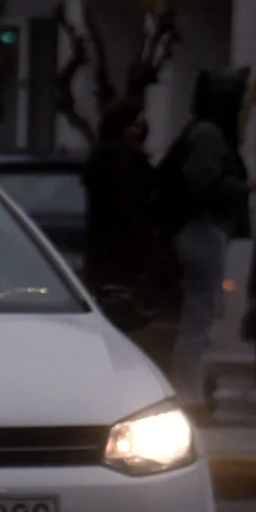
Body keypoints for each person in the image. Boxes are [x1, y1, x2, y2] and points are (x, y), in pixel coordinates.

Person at [155, 68, 253, 410]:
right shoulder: (210, 135)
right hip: (202, 229)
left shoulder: (202, 132)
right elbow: (203, 185)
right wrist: (247, 187)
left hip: (200, 230)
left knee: (199, 313)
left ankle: (192, 390)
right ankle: (190, 395)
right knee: (197, 316)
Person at [83, 99, 178, 364]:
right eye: (136, 125)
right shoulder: (123, 162)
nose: (141, 131)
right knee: (125, 320)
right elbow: (132, 209)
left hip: (107, 253)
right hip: (124, 255)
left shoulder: (102, 158)